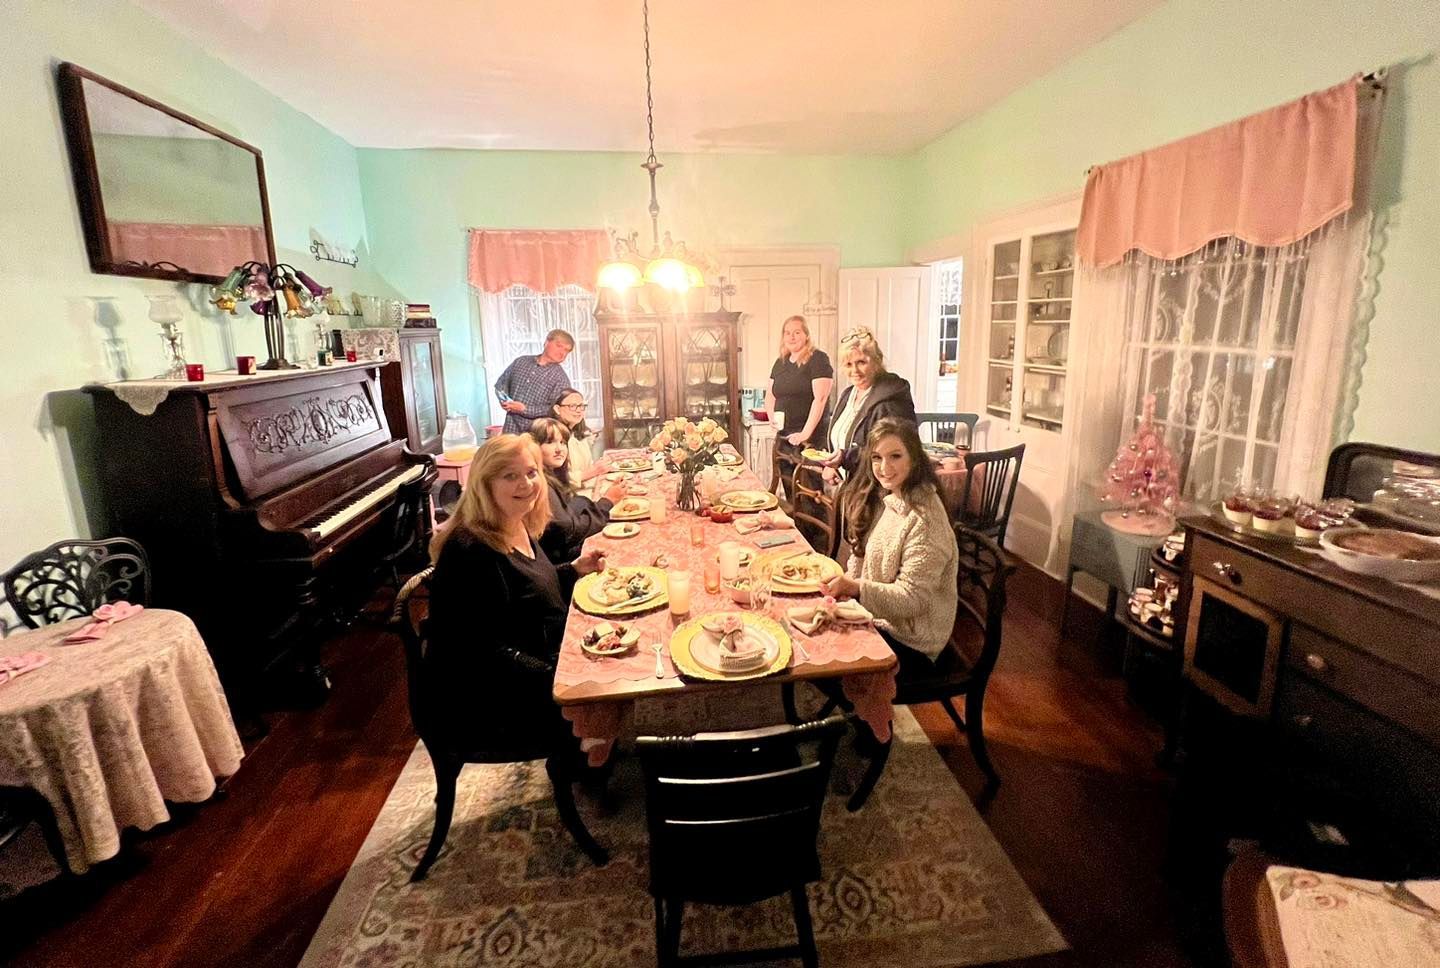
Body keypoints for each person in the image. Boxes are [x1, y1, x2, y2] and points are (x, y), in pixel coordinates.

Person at [425, 434, 606, 745]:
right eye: (510, 475)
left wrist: (573, 569)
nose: (526, 484)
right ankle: (586, 764)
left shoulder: (513, 520)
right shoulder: (470, 549)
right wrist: (559, 677)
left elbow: (527, 588)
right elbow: (481, 652)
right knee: (607, 684)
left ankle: (598, 746)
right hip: (487, 696)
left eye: (531, 472)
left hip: (527, 655)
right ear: (485, 484)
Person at [821, 418, 958, 679]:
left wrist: (855, 588)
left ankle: (862, 717)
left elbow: (912, 600)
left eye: (895, 456)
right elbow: (863, 562)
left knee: (824, 662)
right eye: (876, 457)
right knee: (811, 629)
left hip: (915, 644)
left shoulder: (926, 519)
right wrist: (847, 583)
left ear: (914, 459)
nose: (884, 468)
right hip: (883, 620)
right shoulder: (894, 497)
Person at [821, 327, 917, 486]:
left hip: (877, 493)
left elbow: (893, 453)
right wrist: (832, 465)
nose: (854, 371)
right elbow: (840, 443)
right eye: (848, 364)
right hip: (852, 490)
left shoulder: (891, 402)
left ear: (877, 361)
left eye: (861, 362)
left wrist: (844, 458)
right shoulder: (849, 394)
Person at [529, 417, 626, 563]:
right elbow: (570, 532)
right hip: (560, 560)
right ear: (534, 446)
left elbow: (569, 509)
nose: (559, 449)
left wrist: (592, 503)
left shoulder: (552, 475)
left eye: (562, 443)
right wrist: (607, 502)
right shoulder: (542, 484)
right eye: (550, 442)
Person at [766, 315, 833, 492]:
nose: (792, 337)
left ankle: (810, 521)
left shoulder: (818, 358)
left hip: (810, 439)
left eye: (797, 332)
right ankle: (795, 521)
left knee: (810, 492)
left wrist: (805, 433)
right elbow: (770, 395)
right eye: (787, 333)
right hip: (785, 436)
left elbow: (821, 399)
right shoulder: (780, 362)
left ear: (806, 335)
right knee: (790, 489)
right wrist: (772, 418)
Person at [494, 329, 576, 434]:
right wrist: (504, 401)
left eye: (567, 350)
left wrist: (525, 409)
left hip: (537, 436)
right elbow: (501, 385)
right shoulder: (521, 362)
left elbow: (559, 410)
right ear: (546, 342)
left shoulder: (561, 378)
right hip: (510, 431)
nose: (562, 353)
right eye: (559, 346)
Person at [552, 387, 609, 487]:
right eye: (572, 406)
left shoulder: (577, 433)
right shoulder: (553, 438)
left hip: (588, 487)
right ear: (557, 409)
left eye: (581, 406)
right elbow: (556, 480)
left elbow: (587, 466)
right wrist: (592, 471)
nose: (579, 410)